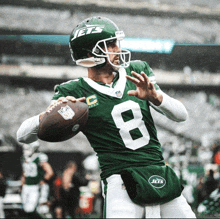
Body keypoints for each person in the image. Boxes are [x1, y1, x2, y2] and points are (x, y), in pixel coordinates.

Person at [17, 16, 196, 218]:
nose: (117, 49)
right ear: (89, 53)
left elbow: (182, 115)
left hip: (158, 173)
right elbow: (23, 135)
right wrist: (48, 114)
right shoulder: (74, 91)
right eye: (109, 45)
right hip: (120, 181)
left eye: (116, 43)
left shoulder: (137, 72)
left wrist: (157, 98)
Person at [20, 141, 54, 218]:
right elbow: (24, 173)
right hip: (27, 186)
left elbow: (50, 172)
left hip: (36, 186)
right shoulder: (24, 158)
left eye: (28, 149)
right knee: (26, 207)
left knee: (37, 208)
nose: (26, 151)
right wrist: (22, 185)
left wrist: (43, 180)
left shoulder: (39, 157)